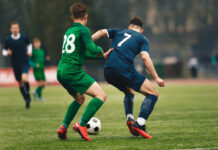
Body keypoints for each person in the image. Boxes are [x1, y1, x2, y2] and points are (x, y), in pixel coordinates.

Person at [92, 16, 165, 139]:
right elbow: (145, 58)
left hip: (108, 70)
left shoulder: (119, 31)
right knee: (153, 94)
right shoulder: (142, 38)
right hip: (123, 69)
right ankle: (140, 124)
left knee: (129, 91)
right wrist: (156, 77)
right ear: (141, 30)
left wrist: (87, 43)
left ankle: (130, 119)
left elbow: (101, 32)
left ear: (129, 27)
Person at [56, 3, 113, 141]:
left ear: (72, 17)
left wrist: (101, 56)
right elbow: (92, 49)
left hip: (61, 71)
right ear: (85, 17)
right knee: (101, 95)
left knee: (80, 98)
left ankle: (63, 127)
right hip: (72, 71)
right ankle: (81, 125)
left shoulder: (69, 31)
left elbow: (82, 54)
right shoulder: (83, 30)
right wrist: (100, 50)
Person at [2, 21, 32, 109]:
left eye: (16, 27)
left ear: (19, 29)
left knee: (24, 79)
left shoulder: (24, 37)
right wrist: (7, 52)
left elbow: (29, 44)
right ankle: (26, 99)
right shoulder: (8, 39)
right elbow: (3, 51)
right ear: (11, 29)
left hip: (24, 62)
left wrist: (29, 52)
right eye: (13, 28)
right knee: (20, 83)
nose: (15, 29)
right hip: (15, 64)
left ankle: (27, 92)